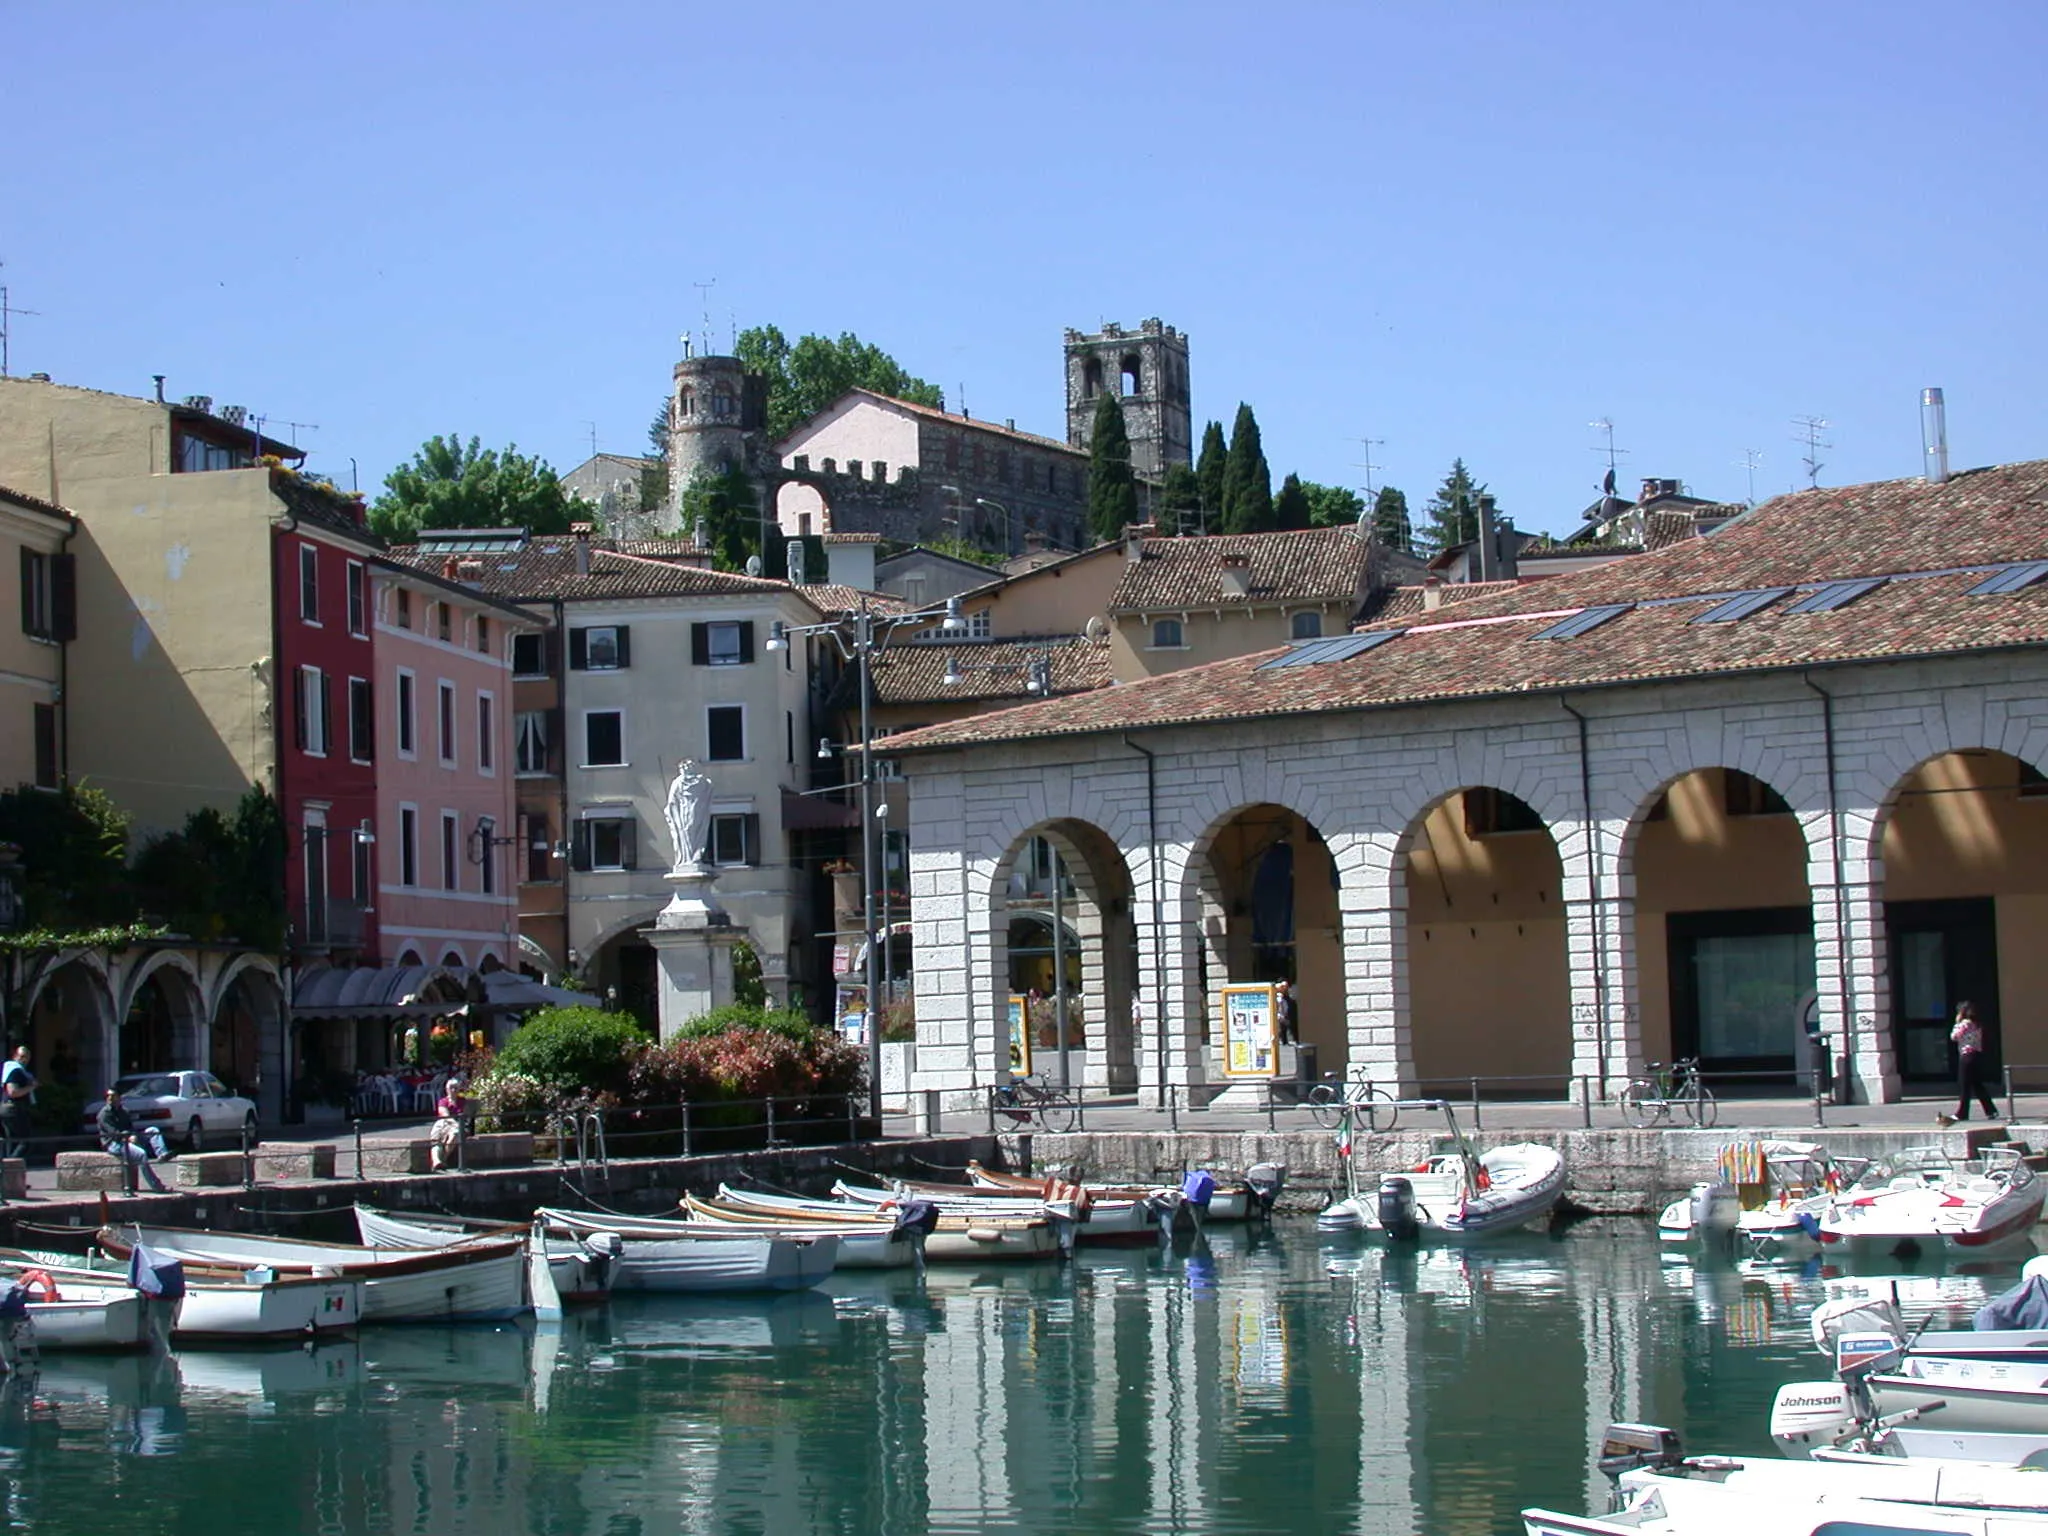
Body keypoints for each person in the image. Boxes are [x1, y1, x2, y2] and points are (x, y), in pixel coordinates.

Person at [97, 1087, 169, 1193]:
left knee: (153, 1130)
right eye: (108, 1096)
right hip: (114, 1143)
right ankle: (157, 1186)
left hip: (128, 1138)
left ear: (119, 1097)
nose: (110, 1098)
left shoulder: (124, 1111)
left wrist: (133, 1136)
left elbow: (130, 1128)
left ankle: (162, 1154)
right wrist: (128, 1138)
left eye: (113, 1095)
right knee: (141, 1154)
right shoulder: (104, 1114)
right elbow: (114, 1133)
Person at [1947, 1001, 1998, 1124]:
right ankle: (1991, 1110)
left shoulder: (1964, 1024)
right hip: (1976, 1055)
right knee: (1977, 1084)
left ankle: (1962, 1113)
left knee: (1965, 1085)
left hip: (1966, 1056)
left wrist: (1957, 1023)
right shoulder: (1977, 1024)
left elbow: (1954, 1036)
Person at [0, 1047, 36, 1164]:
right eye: (21, 1056)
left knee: (12, 1143)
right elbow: (12, 1092)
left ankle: (10, 1178)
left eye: (26, 1057)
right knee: (24, 1142)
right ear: (15, 1056)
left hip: (8, 1108)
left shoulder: (13, 1069)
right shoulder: (14, 1069)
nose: (24, 1059)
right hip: (14, 1109)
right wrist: (31, 1087)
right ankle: (10, 1169)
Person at [430, 1076, 467, 1171]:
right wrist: (455, 1123)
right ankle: (436, 1161)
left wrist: (459, 1125)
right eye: (451, 1087)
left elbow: (467, 1113)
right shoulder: (443, 1101)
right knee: (436, 1140)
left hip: (458, 1124)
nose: (453, 1090)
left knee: (455, 1134)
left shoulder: (462, 1101)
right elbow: (445, 1115)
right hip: (444, 1122)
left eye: (456, 1087)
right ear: (447, 1089)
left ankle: (443, 1159)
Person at [1274, 979, 1299, 1047]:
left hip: (1288, 1015)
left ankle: (1295, 1040)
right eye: (1282, 987)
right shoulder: (1277, 997)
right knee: (1282, 1029)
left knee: (1292, 1028)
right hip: (1281, 1015)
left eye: (1285, 986)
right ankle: (1284, 1041)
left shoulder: (1290, 997)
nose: (1284, 988)